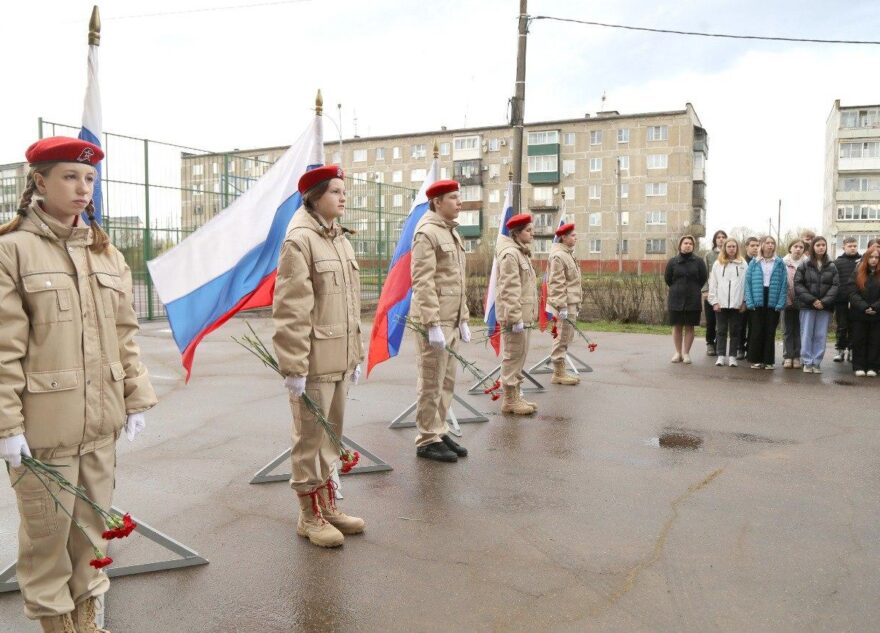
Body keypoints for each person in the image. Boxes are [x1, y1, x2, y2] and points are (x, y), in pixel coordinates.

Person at [0, 137, 157, 632]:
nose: (83, 187)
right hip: (44, 432)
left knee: (91, 530)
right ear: (39, 182)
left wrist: (136, 397)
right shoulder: (12, 251)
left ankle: (87, 616)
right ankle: (55, 623)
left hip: (100, 422)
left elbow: (125, 335)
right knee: (47, 537)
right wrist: (7, 425)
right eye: (70, 176)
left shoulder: (105, 252)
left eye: (89, 178)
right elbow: (4, 349)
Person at [273, 165, 364, 548]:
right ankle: (308, 515)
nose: (343, 198)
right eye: (335, 192)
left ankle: (327, 507)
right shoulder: (300, 240)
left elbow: (350, 305)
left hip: (338, 358)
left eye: (344, 191)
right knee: (310, 439)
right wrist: (293, 367)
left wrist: (354, 356)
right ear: (314, 196)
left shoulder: (340, 240)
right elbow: (292, 309)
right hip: (312, 363)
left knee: (331, 435)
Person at [409, 179, 470, 462]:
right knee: (432, 380)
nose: (460, 203)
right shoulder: (428, 233)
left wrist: (464, 317)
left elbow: (457, 281)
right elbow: (423, 281)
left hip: (451, 319)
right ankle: (426, 438)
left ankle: (439, 428)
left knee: (447, 380)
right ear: (437, 202)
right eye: (454, 198)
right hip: (436, 320)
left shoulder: (450, 233)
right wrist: (432, 323)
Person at [496, 213, 538, 415]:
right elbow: (509, 288)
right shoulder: (510, 255)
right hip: (515, 317)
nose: (533, 234)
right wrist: (514, 317)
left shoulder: (521, 253)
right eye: (528, 230)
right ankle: (510, 400)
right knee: (513, 355)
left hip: (523, 315)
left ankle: (516, 395)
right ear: (517, 232)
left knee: (520, 355)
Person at [794, 236, 839, 374]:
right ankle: (807, 361)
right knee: (807, 333)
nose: (821, 247)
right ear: (813, 247)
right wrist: (812, 300)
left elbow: (835, 285)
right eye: (818, 245)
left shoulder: (832, 266)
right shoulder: (805, 264)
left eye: (823, 245)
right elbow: (798, 284)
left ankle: (817, 362)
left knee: (820, 335)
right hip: (808, 306)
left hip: (824, 307)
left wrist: (824, 301)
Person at [546, 222, 582, 385]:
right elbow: (556, 283)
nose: (576, 238)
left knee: (567, 337)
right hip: (564, 304)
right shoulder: (559, 256)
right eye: (573, 235)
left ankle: (560, 369)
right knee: (562, 337)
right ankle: (558, 372)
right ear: (564, 237)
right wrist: (561, 306)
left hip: (571, 302)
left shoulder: (568, 254)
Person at [744, 236, 787, 369]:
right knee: (757, 330)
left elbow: (784, 284)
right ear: (762, 245)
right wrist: (749, 302)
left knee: (770, 331)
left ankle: (768, 361)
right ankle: (756, 359)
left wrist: (780, 303)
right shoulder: (754, 262)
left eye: (772, 243)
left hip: (772, 298)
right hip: (758, 298)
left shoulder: (779, 262)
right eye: (767, 243)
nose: (770, 245)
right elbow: (748, 283)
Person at [664, 235, 707, 364]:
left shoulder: (699, 262)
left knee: (689, 326)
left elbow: (703, 278)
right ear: (680, 245)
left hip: (693, 298)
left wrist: (693, 288)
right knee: (677, 326)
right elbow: (668, 279)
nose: (688, 245)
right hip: (675, 298)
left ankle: (686, 353)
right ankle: (678, 353)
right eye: (685, 243)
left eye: (690, 243)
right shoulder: (672, 262)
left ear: (693, 246)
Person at [707, 237, 746, 367]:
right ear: (724, 248)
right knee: (721, 330)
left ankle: (733, 356)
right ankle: (721, 356)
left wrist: (744, 302)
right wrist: (714, 301)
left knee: (735, 331)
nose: (731, 249)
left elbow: (746, 284)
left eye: (734, 246)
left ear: (737, 248)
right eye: (729, 246)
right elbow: (713, 284)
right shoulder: (718, 264)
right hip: (721, 304)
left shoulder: (742, 264)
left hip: (737, 304)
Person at [849, 246, 880, 377]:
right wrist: (864, 307)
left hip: (877, 314)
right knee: (859, 339)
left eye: (877, 257)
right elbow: (852, 292)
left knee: (875, 340)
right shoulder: (857, 272)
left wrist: (875, 307)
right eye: (871, 257)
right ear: (866, 258)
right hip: (859, 314)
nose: (874, 260)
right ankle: (859, 366)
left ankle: (873, 366)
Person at [832, 237, 861, 363]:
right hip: (841, 301)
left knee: (855, 327)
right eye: (850, 246)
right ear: (844, 247)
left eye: (855, 245)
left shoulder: (862, 261)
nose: (853, 248)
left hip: (857, 301)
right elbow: (834, 281)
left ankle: (852, 350)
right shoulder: (837, 262)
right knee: (842, 326)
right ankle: (840, 350)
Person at [782, 238, 806, 368]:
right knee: (787, 330)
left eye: (801, 247)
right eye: (795, 246)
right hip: (786, 301)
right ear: (790, 248)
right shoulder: (782, 263)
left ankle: (797, 356)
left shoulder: (807, 263)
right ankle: (787, 356)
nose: (798, 249)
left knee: (799, 330)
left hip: (802, 302)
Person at [702, 230, 727, 356]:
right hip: (711, 293)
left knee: (721, 321)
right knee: (711, 320)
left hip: (725, 294)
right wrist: (705, 290)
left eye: (723, 237)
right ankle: (710, 343)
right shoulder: (709, 255)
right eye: (718, 237)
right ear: (715, 240)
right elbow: (704, 274)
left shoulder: (730, 255)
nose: (721, 239)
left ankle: (719, 343)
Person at [737, 236, 761, 360]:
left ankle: (750, 349)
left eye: (757, 245)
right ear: (746, 247)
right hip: (742, 299)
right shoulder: (741, 261)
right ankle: (740, 347)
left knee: (754, 325)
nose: (755, 248)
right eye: (752, 245)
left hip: (756, 299)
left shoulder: (761, 261)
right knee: (741, 324)